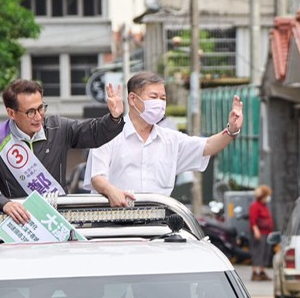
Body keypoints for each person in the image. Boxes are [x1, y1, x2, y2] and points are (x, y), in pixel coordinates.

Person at [0, 78, 128, 225]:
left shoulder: (58, 128)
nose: (38, 117)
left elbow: (93, 133)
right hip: (19, 226)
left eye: (41, 108)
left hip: (57, 221)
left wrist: (114, 118)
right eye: (30, 112)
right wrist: (4, 204)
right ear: (11, 113)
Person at [87, 73, 245, 205]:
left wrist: (232, 129)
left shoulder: (170, 139)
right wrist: (111, 191)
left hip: (157, 226)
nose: (160, 103)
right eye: (154, 97)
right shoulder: (106, 134)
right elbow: (97, 177)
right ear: (133, 99)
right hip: (113, 223)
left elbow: (208, 145)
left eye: (163, 98)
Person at [248, 185, 274, 281]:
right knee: (257, 252)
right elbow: (252, 219)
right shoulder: (254, 206)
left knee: (264, 252)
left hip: (266, 232)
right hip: (259, 232)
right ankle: (255, 272)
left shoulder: (264, 206)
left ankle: (262, 271)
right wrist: (256, 230)